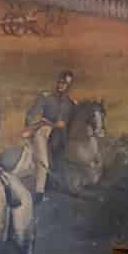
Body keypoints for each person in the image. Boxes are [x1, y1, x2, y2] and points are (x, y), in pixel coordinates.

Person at [23, 68, 77, 198]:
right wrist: (47, 123)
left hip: (60, 137)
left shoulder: (72, 104)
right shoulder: (45, 97)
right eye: (61, 82)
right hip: (43, 132)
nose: (62, 85)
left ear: (69, 86)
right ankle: (39, 192)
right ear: (57, 81)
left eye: (66, 84)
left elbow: (72, 126)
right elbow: (30, 116)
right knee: (44, 163)